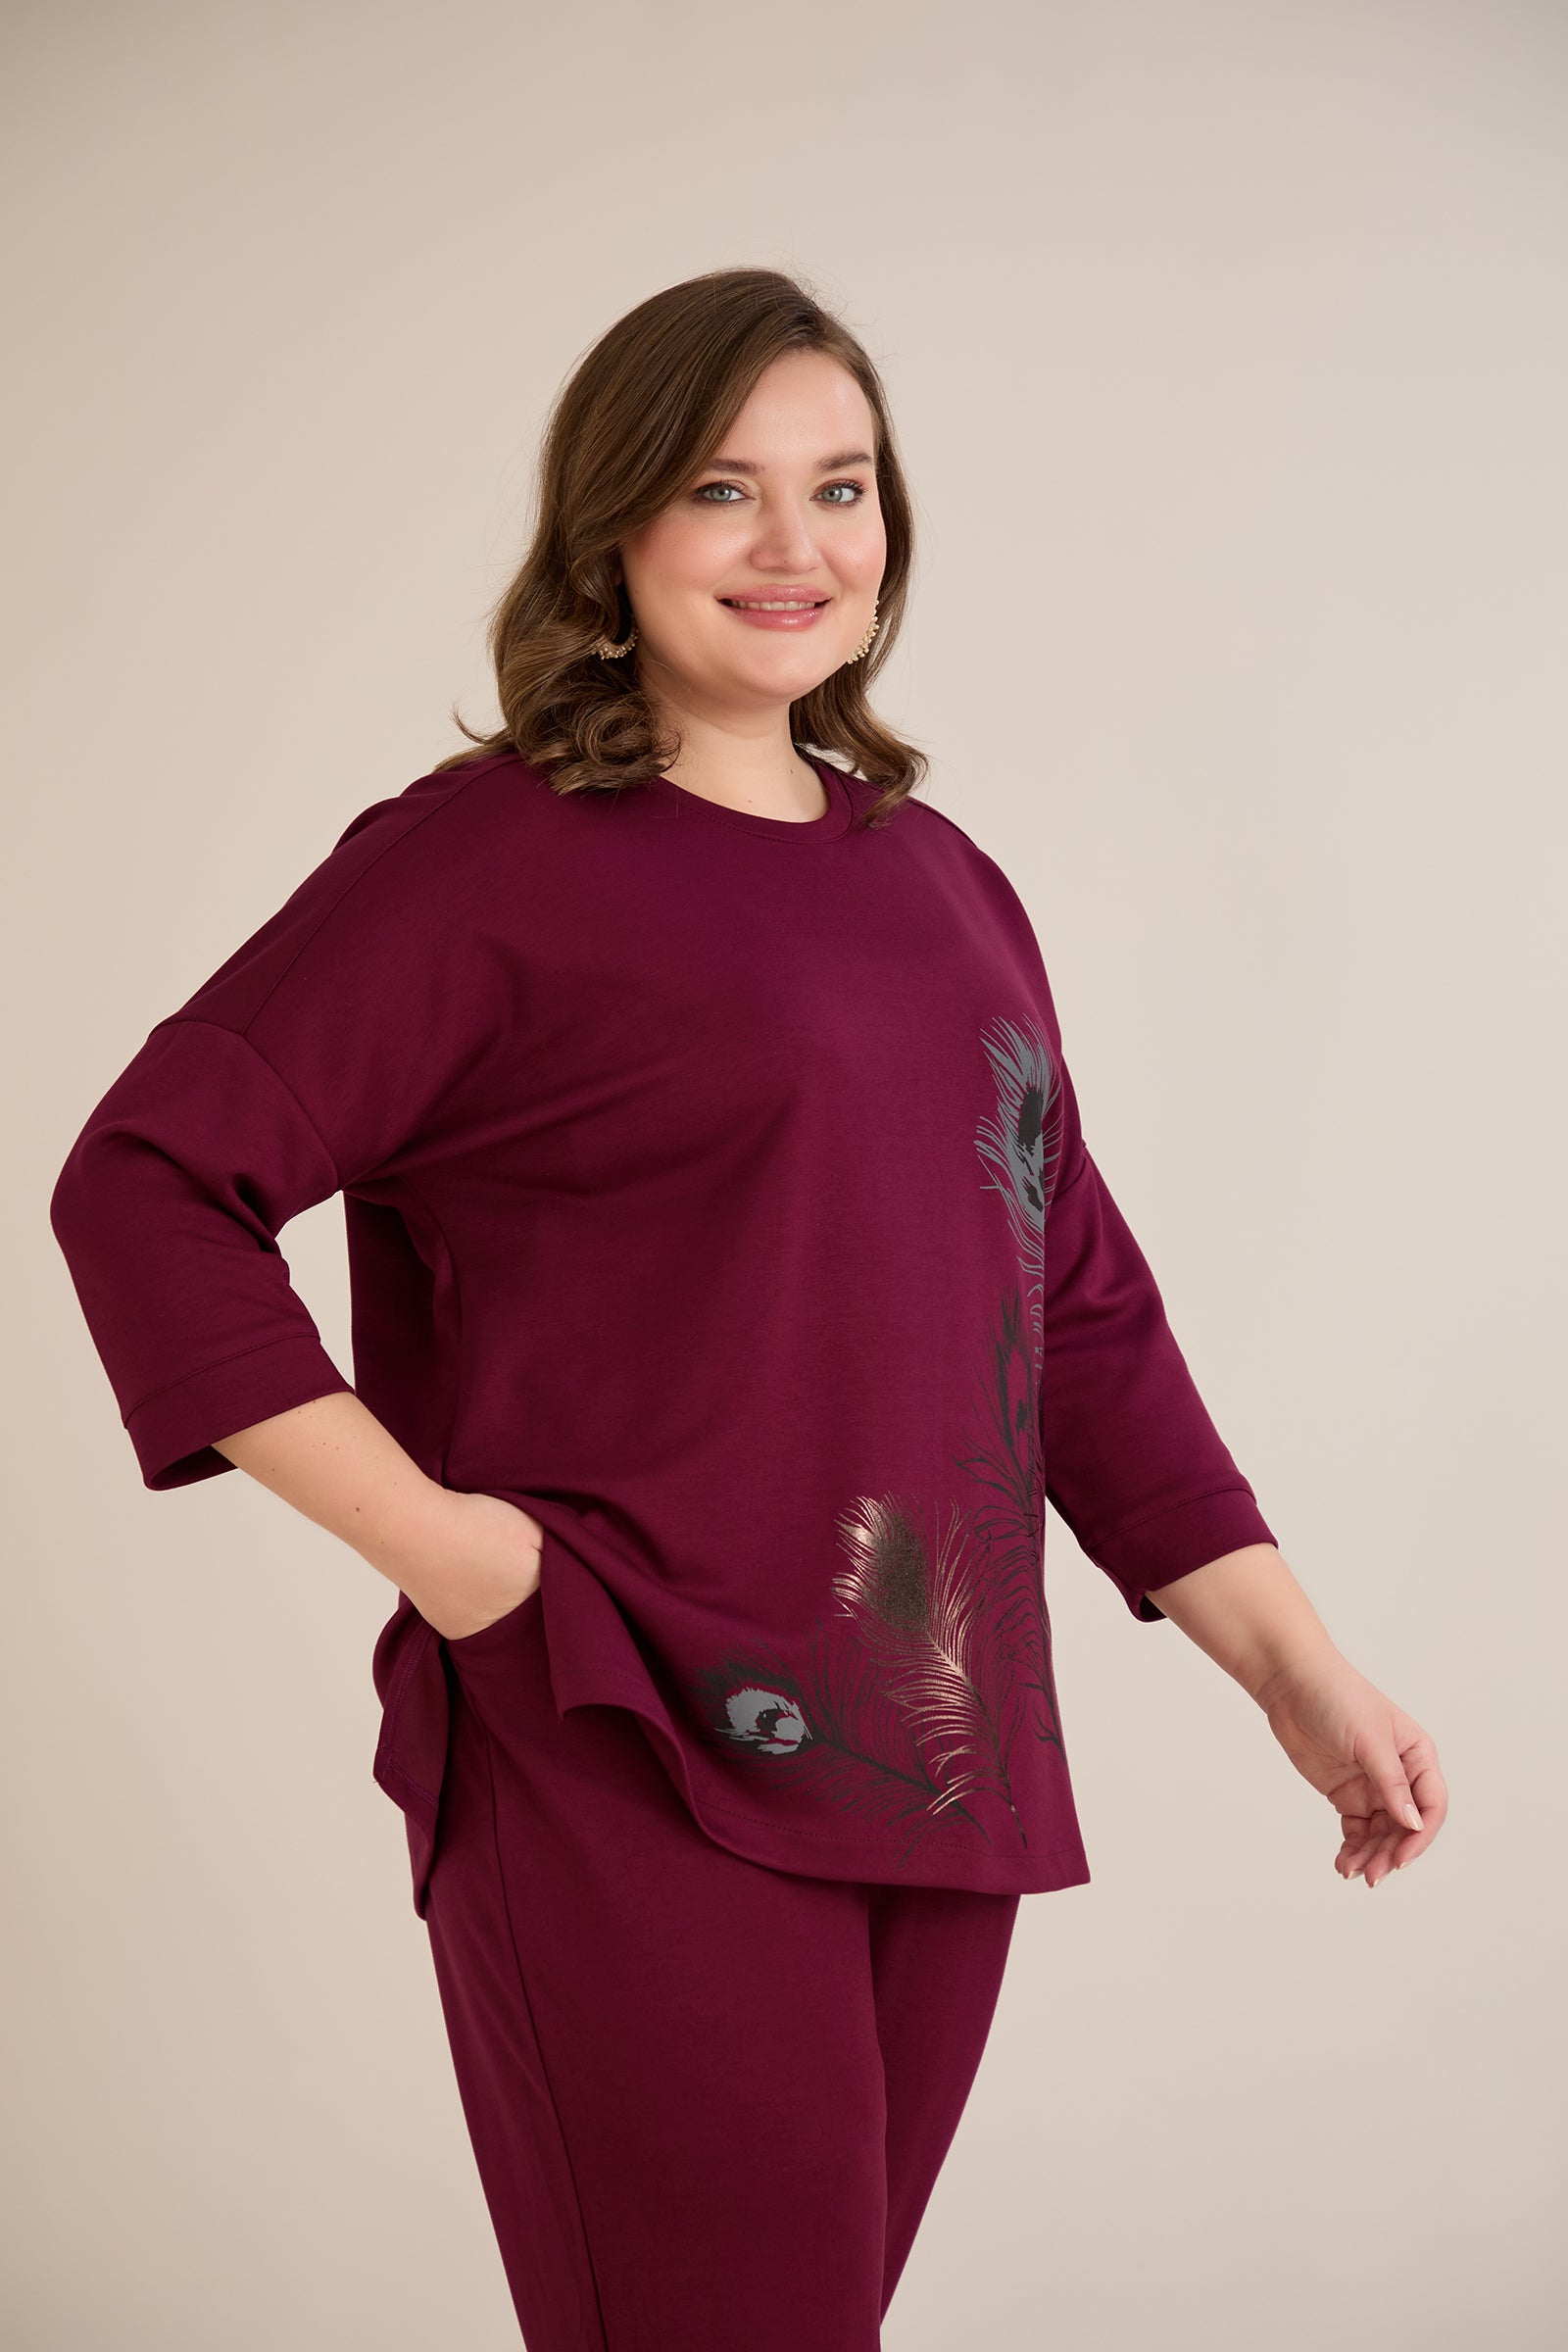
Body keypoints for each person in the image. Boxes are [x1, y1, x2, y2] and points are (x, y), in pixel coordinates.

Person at [49, 266, 1446, 2348]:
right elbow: (149, 1183)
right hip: (623, 1741)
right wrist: (448, 1555)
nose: (797, 543)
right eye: (724, 488)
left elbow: (1069, 1311)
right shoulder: (482, 862)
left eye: (841, 487)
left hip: (935, 1761)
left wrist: (1296, 1674)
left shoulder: (944, 886)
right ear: (612, 526)